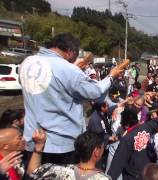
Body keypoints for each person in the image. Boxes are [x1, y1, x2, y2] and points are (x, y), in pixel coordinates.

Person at [19, 33, 123, 165]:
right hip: (60, 144)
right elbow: (95, 92)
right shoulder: (67, 69)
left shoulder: (27, 62)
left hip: (33, 139)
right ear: (69, 51)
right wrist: (111, 76)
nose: (74, 60)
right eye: (74, 56)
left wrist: (73, 69)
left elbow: (52, 83)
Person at [28, 130, 111, 179]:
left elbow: (33, 172)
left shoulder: (59, 170)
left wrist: (39, 146)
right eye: (102, 147)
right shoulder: (103, 178)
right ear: (96, 152)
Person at [108, 107, 158, 180]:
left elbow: (115, 167)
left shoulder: (126, 140)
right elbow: (157, 121)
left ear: (126, 125)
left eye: (121, 123)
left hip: (133, 176)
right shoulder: (146, 126)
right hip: (149, 173)